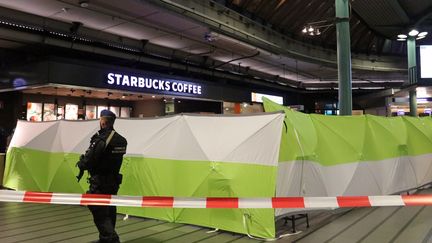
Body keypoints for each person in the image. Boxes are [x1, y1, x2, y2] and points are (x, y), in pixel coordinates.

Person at [76, 109, 127, 243]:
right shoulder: (121, 140)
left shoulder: (101, 139)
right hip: (114, 181)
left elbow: (89, 160)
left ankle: (110, 238)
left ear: (103, 122)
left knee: (97, 208)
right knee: (110, 208)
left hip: (99, 181)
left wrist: (81, 164)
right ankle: (105, 239)